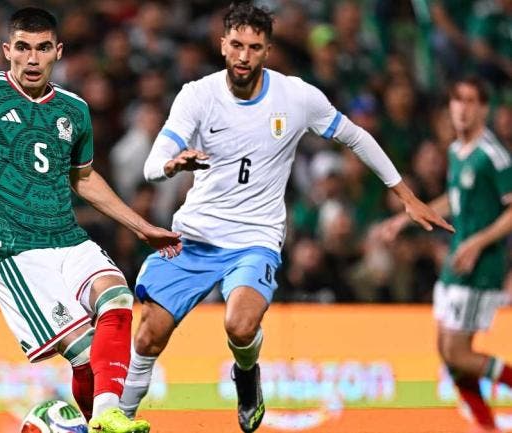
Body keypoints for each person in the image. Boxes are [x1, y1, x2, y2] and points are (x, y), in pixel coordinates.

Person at [117, 3, 453, 432]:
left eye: (254, 47)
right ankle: (120, 420)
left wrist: (406, 196)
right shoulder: (197, 95)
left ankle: (247, 374)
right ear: (222, 45)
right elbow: (151, 163)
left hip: (254, 238)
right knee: (148, 336)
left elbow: (356, 136)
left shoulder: (296, 97)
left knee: (239, 325)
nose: (243, 56)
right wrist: (171, 165)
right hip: (193, 237)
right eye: (236, 44)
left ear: (268, 50)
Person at [0, 8, 182, 433]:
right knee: (85, 354)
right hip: (18, 254)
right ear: (8, 51)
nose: (32, 58)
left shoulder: (74, 109)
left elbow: (83, 178)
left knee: (116, 296)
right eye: (22, 48)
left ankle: (104, 417)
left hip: (69, 239)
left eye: (43, 48)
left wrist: (141, 226)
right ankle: (74, 420)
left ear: (57, 52)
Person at [378, 78, 512, 433]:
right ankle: (486, 426)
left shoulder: (493, 155)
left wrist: (477, 242)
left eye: (471, 101)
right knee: (446, 351)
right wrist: (406, 217)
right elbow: (457, 199)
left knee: (459, 353)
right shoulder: (456, 151)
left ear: (484, 108)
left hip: (479, 264)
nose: (463, 109)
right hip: (458, 259)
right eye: (457, 101)